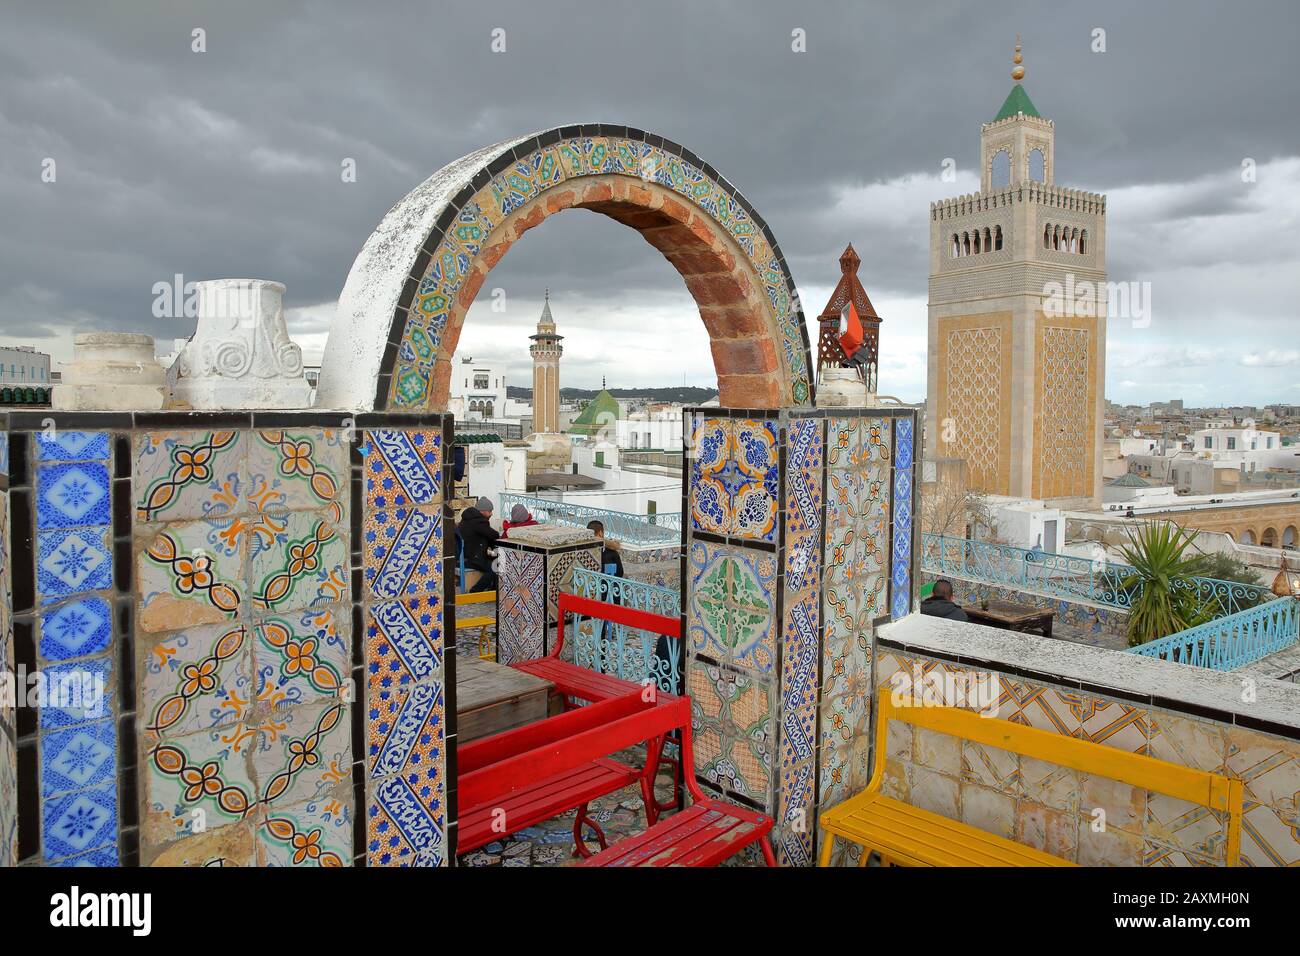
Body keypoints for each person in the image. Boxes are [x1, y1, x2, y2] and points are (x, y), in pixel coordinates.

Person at [458, 497, 500, 592]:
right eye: (490, 511)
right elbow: (494, 534)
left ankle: (493, 589)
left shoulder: (467, 519)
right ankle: (475, 591)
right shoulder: (479, 521)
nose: (491, 514)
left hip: (464, 555)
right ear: (483, 511)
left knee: (494, 560)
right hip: (471, 558)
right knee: (496, 566)